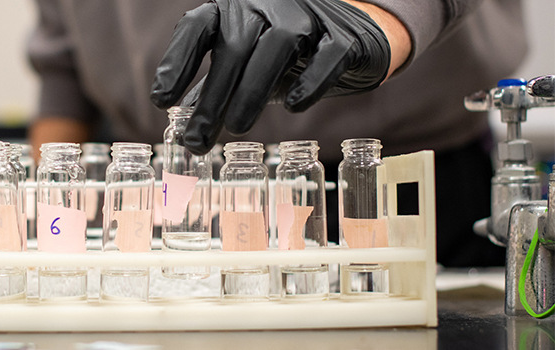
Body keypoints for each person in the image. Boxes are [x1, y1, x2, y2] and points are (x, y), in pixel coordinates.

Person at [26, 0, 527, 267]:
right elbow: (64, 62)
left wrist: (386, 16)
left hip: (404, 190)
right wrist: (45, 215)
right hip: (167, 193)